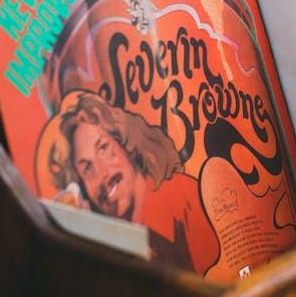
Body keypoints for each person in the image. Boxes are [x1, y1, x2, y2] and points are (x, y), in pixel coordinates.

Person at [41, 91, 221, 276]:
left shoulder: (184, 200)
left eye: (103, 148)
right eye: (87, 168)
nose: (102, 175)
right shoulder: (107, 250)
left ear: (124, 142)